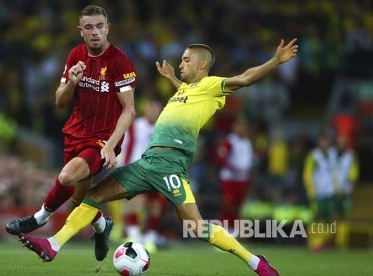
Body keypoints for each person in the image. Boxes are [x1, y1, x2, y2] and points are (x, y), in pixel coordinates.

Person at [18, 39, 299, 276]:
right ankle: (53, 245)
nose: (181, 63)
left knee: (197, 227)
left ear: (202, 65)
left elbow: (246, 78)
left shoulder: (213, 85)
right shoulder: (186, 90)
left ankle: (256, 262)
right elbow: (187, 96)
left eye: (186, 60)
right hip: (147, 162)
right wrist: (173, 80)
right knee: (91, 196)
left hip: (170, 165)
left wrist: (274, 61)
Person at [5, 5, 136, 262]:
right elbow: (60, 101)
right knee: (79, 199)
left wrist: (110, 146)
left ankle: (38, 218)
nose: (95, 32)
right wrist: (73, 82)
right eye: (89, 27)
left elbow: (129, 110)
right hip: (75, 134)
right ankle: (102, 225)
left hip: (101, 140)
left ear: (108, 28)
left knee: (66, 176)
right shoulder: (76, 55)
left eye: (100, 26)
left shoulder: (120, 61)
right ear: (81, 31)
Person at [119, 97, 167, 252]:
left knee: (156, 205)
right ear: (145, 109)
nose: (153, 111)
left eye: (156, 108)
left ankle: (150, 237)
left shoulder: (164, 128)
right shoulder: (135, 126)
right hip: (137, 169)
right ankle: (133, 235)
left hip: (157, 171)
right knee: (136, 201)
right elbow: (126, 146)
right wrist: (122, 169)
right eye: (151, 107)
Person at [216, 116, 254, 233]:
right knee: (228, 204)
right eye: (239, 126)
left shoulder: (247, 142)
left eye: (244, 126)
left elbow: (249, 161)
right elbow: (221, 158)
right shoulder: (230, 141)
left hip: (243, 179)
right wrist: (234, 168)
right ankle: (223, 229)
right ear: (234, 127)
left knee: (239, 205)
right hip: (230, 179)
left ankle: (234, 230)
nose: (242, 129)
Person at [303, 131, 336, 251]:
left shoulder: (333, 154)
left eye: (326, 141)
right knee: (317, 218)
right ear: (319, 142)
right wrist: (311, 189)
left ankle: (324, 242)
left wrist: (336, 187)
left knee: (330, 219)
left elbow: (335, 173)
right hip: (318, 193)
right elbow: (307, 173)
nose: (325, 143)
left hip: (330, 193)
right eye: (322, 141)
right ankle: (314, 243)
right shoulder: (314, 156)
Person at [332, 135, 359, 219]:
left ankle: (342, 229)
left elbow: (354, 172)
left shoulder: (351, 155)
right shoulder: (331, 153)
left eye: (343, 143)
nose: (341, 145)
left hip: (345, 188)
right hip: (331, 189)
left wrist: (350, 186)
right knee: (332, 212)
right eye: (339, 143)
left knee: (345, 212)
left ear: (346, 144)